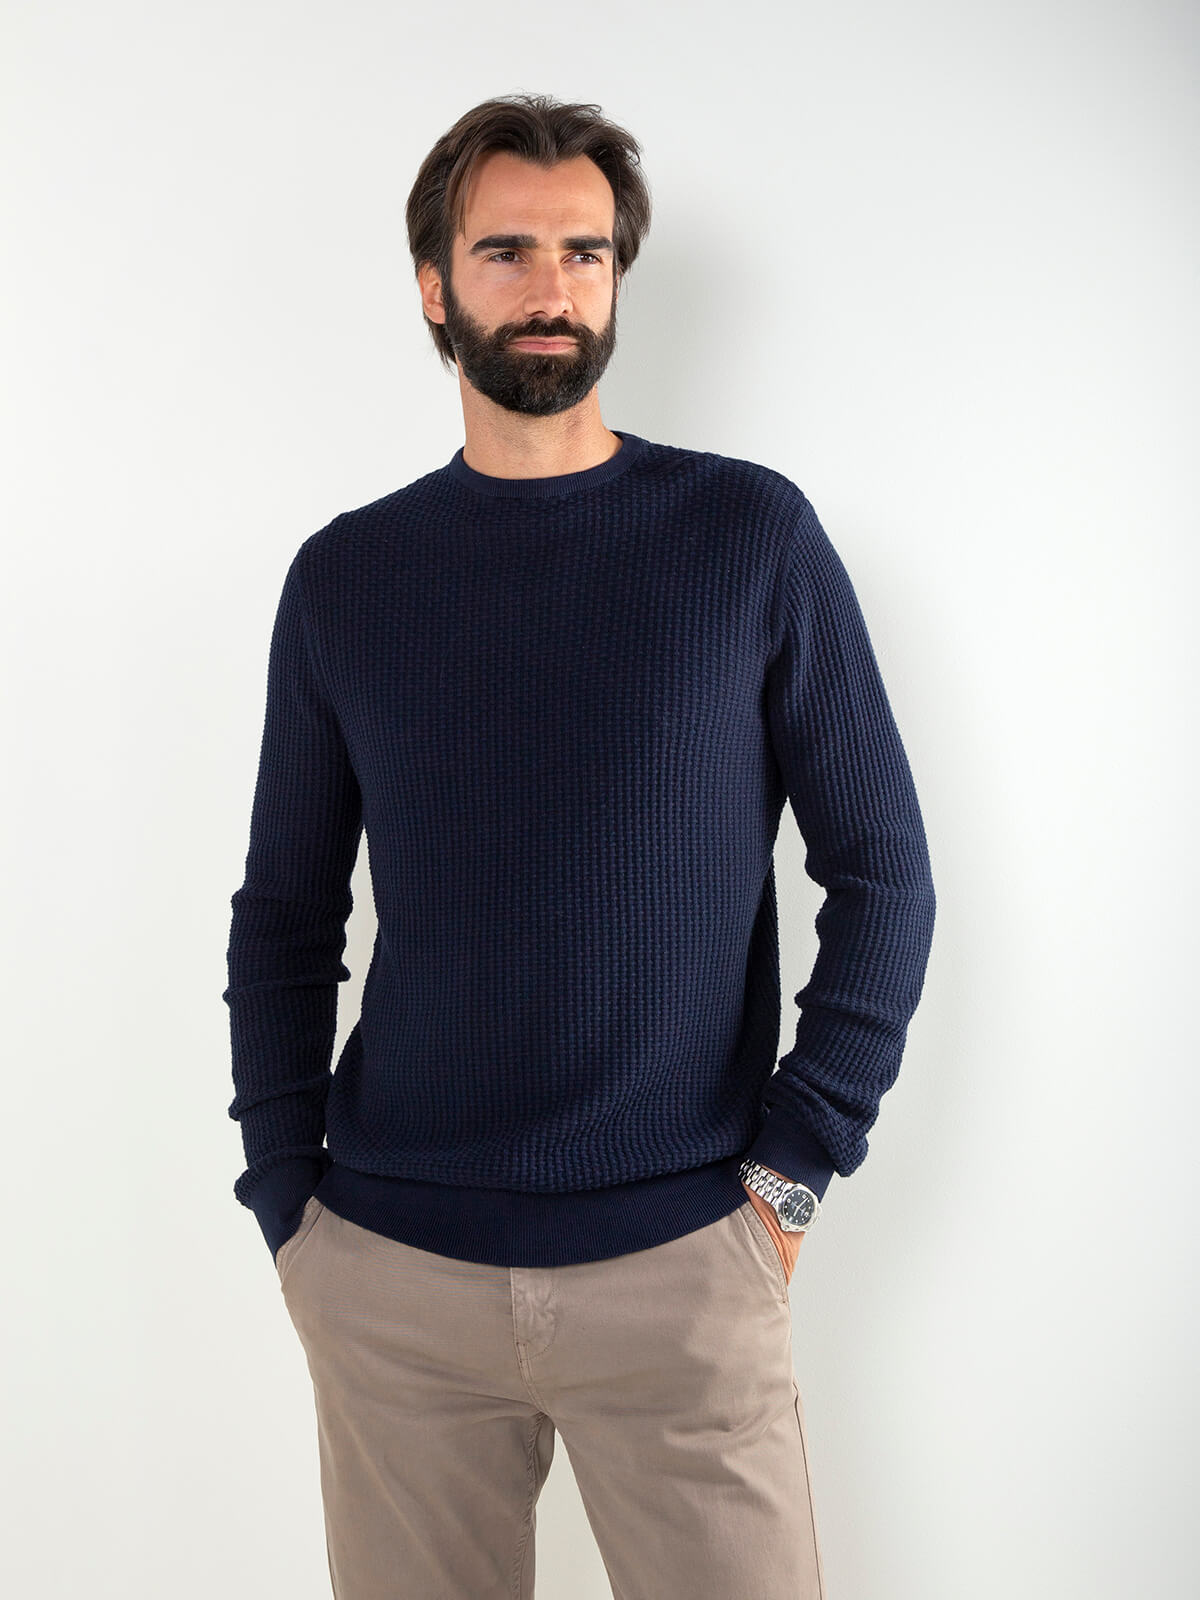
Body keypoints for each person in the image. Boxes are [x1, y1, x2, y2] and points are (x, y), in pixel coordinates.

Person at [224, 91, 936, 1600]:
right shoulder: (348, 577)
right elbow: (285, 911)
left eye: (585, 253)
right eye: (507, 252)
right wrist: (289, 1197)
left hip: (684, 1265)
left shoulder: (747, 538)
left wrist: (797, 1167)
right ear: (435, 288)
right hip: (394, 1278)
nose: (552, 287)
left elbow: (883, 869)